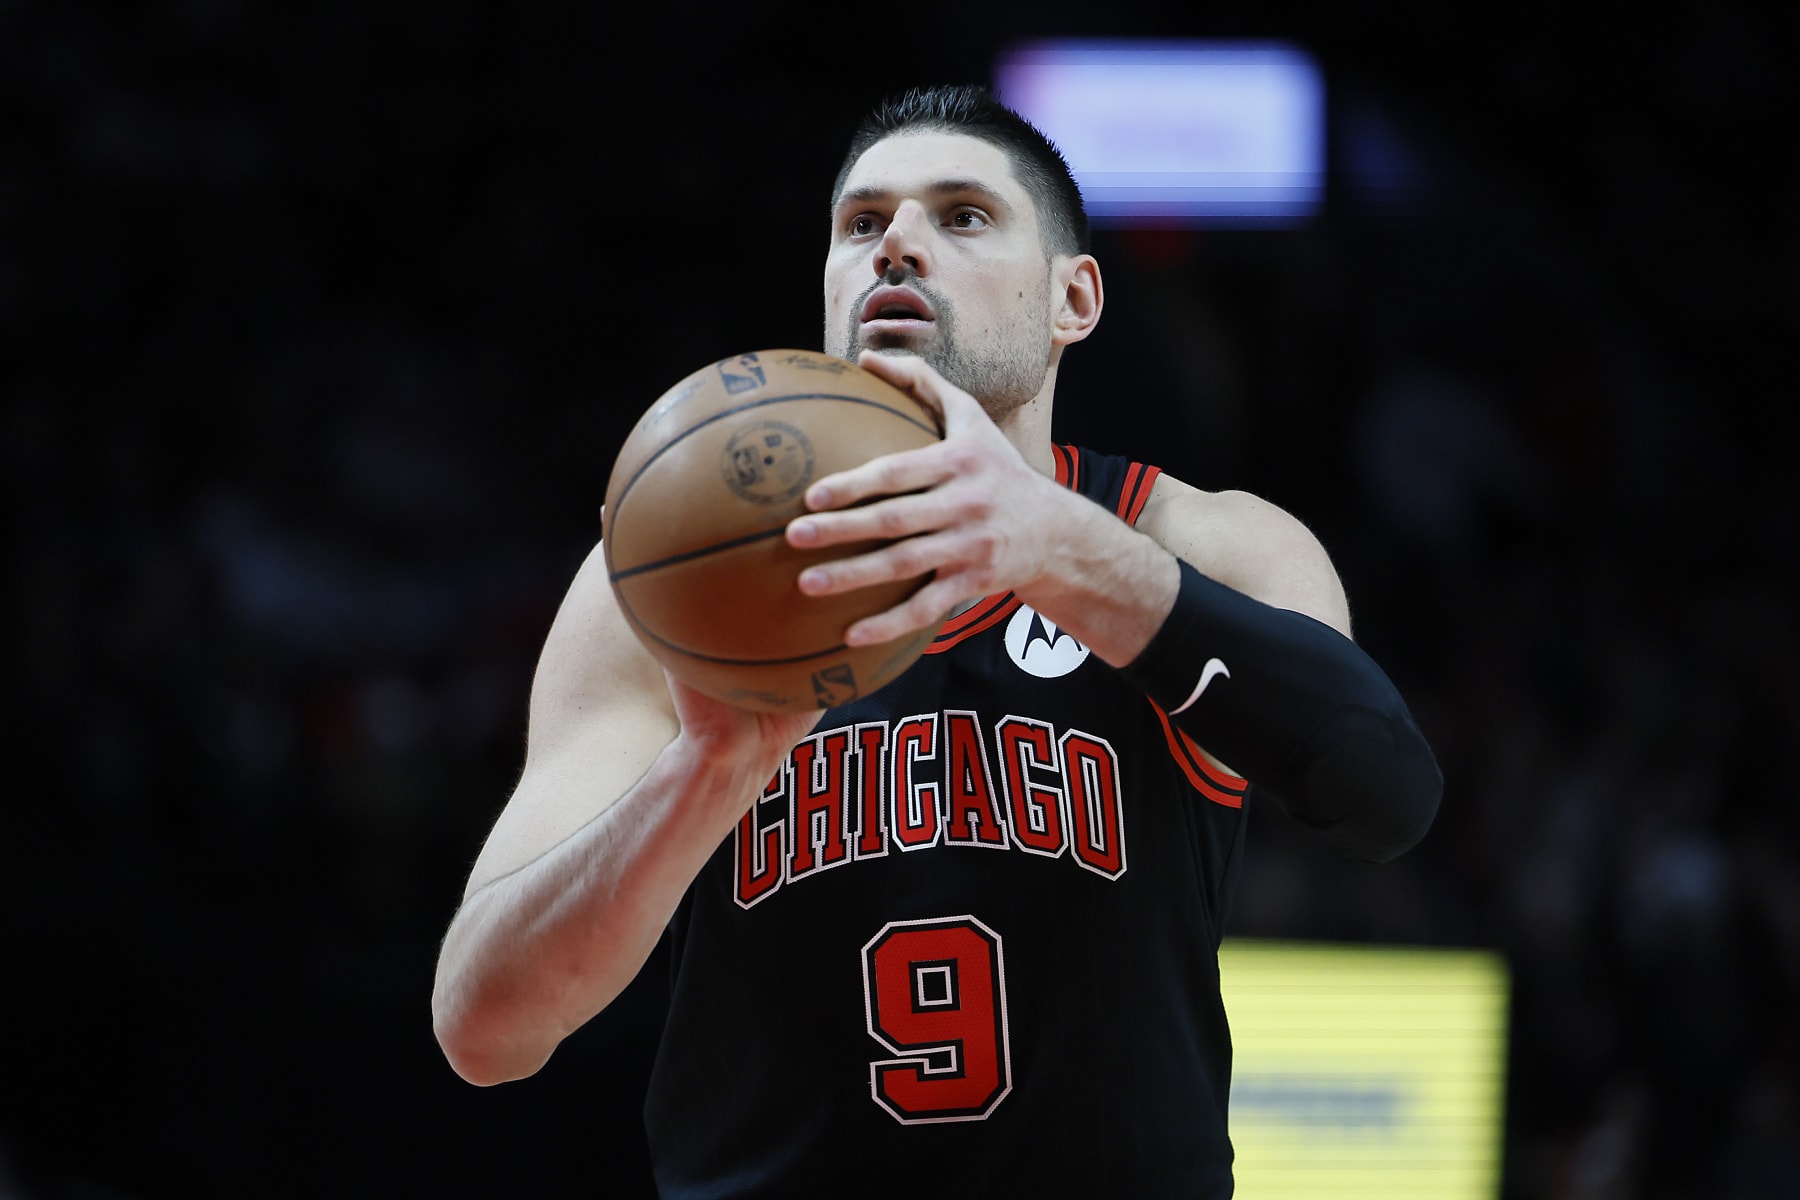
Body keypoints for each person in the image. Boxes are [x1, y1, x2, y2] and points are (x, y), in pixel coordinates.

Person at [431, 84, 1442, 1198]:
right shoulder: (672, 587)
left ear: (1075, 298)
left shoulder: (1197, 537)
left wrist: (1058, 552)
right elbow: (486, 1027)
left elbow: (1385, 793)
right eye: (860, 224)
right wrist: (709, 769)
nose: (897, 244)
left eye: (962, 216)